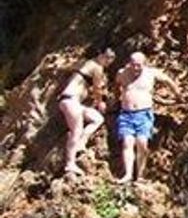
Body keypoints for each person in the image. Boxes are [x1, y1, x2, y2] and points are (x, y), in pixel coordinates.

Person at [114, 52, 180, 184]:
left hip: (143, 113)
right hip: (126, 113)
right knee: (127, 143)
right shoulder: (122, 73)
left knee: (142, 143)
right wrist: (117, 98)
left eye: (139, 65)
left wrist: (177, 95)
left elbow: (167, 80)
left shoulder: (151, 73)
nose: (135, 68)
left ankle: (140, 175)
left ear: (144, 64)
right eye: (133, 65)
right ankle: (127, 174)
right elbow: (117, 86)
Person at [57, 48, 116, 176]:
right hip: (71, 101)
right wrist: (100, 102)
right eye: (107, 58)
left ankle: (81, 143)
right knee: (75, 131)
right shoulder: (97, 68)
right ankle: (70, 164)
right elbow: (97, 89)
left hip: (72, 102)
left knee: (97, 119)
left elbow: (66, 68)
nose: (108, 62)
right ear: (100, 55)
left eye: (110, 59)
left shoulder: (84, 63)